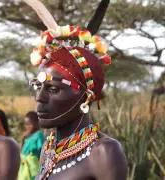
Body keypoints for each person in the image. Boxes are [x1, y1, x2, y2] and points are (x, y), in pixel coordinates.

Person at [24, 0, 127, 179]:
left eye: (53, 89)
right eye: (38, 87)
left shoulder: (104, 152)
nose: (39, 98)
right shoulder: (49, 147)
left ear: (85, 98)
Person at [19, 111, 44, 180]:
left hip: (33, 168)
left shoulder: (38, 135)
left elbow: (42, 152)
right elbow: (22, 152)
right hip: (24, 168)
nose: (27, 127)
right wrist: (22, 139)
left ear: (36, 124)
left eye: (30, 124)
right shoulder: (26, 136)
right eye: (26, 124)